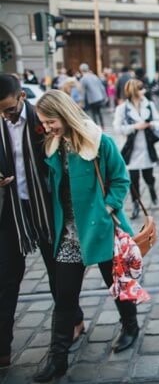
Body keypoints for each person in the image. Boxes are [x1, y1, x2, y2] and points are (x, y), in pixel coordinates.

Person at [33, 90, 141, 382]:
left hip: (101, 231)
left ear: (64, 114)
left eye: (50, 121)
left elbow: (121, 179)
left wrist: (107, 207)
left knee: (117, 285)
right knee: (64, 297)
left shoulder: (99, 141)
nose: (46, 128)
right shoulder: (53, 146)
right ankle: (57, 361)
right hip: (69, 235)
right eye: (43, 123)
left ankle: (130, 326)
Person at [0, 75, 92, 369]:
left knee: (57, 273)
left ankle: (74, 319)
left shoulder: (42, 120)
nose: (5, 115)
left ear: (21, 97)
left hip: (46, 208)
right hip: (11, 211)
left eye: (9, 108)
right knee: (6, 278)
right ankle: (2, 347)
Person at [113, 79, 159, 214]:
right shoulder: (122, 109)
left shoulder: (149, 105)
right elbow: (117, 128)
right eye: (140, 89)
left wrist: (151, 124)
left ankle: (152, 190)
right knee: (133, 180)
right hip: (131, 149)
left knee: (148, 176)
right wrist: (135, 126)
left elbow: (158, 122)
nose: (144, 91)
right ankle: (136, 204)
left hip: (147, 147)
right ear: (134, 91)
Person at [78, 64, 108, 129]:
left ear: (81, 70)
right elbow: (102, 87)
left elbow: (82, 92)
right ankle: (103, 126)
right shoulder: (94, 76)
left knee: (94, 113)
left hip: (92, 99)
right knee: (99, 112)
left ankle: (96, 127)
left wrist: (81, 102)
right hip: (100, 97)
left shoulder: (83, 79)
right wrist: (105, 96)